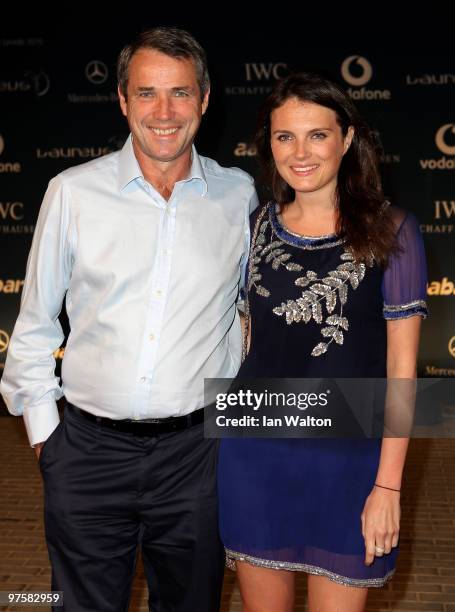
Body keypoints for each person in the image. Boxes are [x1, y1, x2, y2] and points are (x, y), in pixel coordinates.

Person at [1, 27, 258, 612]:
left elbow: (249, 321)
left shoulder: (238, 196)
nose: (164, 112)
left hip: (197, 457)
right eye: (146, 94)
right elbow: (37, 323)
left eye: (180, 93)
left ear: (206, 99)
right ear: (122, 100)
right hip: (87, 454)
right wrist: (48, 441)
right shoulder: (72, 193)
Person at [217, 72, 428, 612]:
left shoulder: (393, 232)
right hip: (254, 460)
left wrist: (388, 488)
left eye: (317, 134)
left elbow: (402, 371)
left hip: (349, 468)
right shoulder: (256, 226)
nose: (300, 151)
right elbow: (244, 342)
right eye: (285, 136)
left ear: (347, 138)